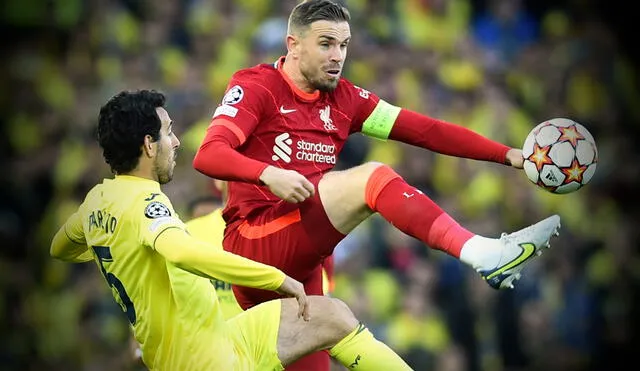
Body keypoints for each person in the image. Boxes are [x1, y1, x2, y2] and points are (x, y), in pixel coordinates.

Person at [193, 0, 560, 339]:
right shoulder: (258, 85)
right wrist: (268, 174)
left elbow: (425, 131)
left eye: (344, 45)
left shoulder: (346, 99)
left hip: (302, 268)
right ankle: (483, 253)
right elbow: (208, 155)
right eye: (326, 44)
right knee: (372, 177)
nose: (337, 56)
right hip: (255, 244)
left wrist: (508, 154)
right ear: (293, 45)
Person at [50, 90, 412, 370]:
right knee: (327, 317)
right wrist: (274, 278)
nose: (175, 142)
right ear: (148, 145)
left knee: (331, 315)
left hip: (215, 338)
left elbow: (59, 247)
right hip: (202, 359)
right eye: (168, 132)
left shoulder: (96, 202)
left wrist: (110, 244)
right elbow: (181, 251)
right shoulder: (147, 206)